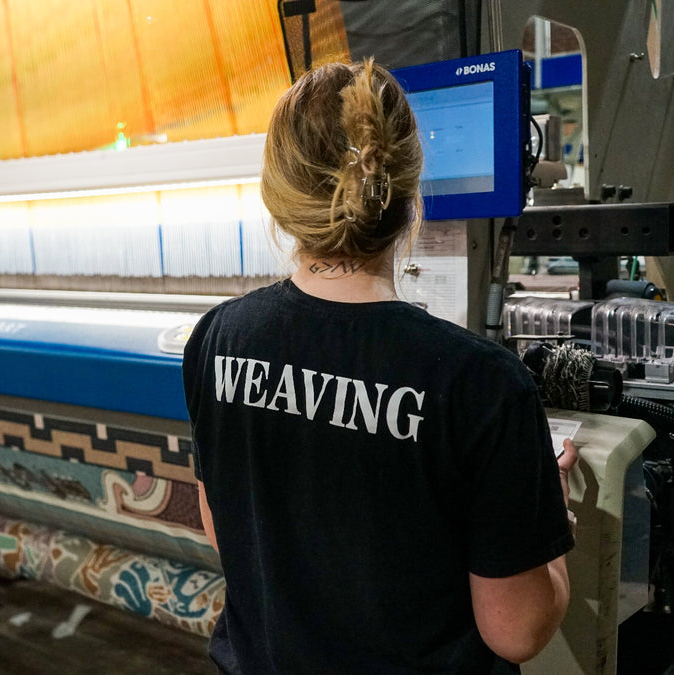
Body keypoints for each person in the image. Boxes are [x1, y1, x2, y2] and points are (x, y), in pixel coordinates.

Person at [182, 58, 579, 674]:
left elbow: (226, 532)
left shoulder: (217, 338)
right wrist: (546, 526)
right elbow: (517, 630)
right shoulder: (480, 383)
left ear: (278, 195)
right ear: (411, 194)